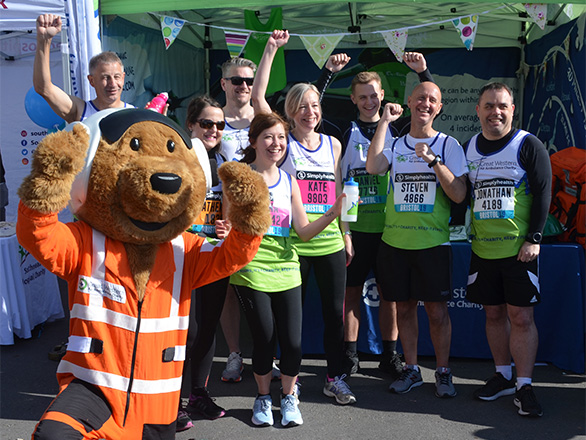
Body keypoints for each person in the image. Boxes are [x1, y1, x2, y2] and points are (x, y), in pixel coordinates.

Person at [252, 30, 356, 405]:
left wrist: (346, 233)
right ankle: (281, 371)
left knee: (334, 314)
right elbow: (259, 97)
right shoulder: (284, 144)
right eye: (302, 106)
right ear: (290, 113)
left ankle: (334, 377)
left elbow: (341, 190)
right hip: (293, 242)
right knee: (287, 317)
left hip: (328, 240)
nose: (309, 112)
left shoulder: (334, 143)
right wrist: (270, 49)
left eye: (314, 106)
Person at [231, 112, 345, 427]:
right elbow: (225, 224)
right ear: (254, 141)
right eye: (268, 136)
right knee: (265, 338)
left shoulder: (289, 181)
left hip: (287, 269)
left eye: (281, 137)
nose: (276, 143)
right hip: (251, 270)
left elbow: (304, 231)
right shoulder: (240, 178)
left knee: (293, 343)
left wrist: (333, 214)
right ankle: (263, 398)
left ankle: (289, 396)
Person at [327, 52, 433, 377]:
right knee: (351, 294)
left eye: (374, 96)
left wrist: (423, 71)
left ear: (382, 95)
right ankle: (350, 355)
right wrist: (343, 230)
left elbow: (430, 105)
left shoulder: (399, 129)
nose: (369, 102)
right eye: (363, 97)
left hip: (390, 228)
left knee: (390, 297)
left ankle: (390, 355)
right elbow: (339, 181)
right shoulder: (343, 133)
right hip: (355, 228)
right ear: (353, 99)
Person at [366, 82, 467, 398]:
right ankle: (411, 369)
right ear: (409, 101)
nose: (426, 103)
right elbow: (373, 167)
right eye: (420, 97)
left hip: (433, 244)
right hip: (396, 242)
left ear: (439, 108)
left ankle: (443, 371)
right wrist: (383, 122)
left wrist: (434, 162)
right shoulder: (395, 145)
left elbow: (459, 194)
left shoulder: (448, 144)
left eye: (433, 100)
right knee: (405, 310)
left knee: (437, 313)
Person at [465, 82, 551, 417]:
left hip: (519, 250)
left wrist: (535, 238)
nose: (495, 112)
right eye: (488, 106)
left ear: (512, 109)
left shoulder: (527, 144)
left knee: (521, 316)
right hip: (483, 249)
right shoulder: (468, 146)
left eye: (502, 106)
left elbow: (544, 191)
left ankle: (524, 385)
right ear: (478, 110)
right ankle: (502, 375)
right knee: (493, 314)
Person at [174, 96, 231, 432]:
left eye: (219, 125)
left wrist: (228, 224)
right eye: (207, 123)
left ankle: (199, 394)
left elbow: (230, 207)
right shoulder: (178, 159)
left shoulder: (225, 161)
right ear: (191, 125)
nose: (214, 130)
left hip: (215, 253)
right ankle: (174, 401)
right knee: (188, 330)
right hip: (183, 256)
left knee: (208, 327)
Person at [34, 14, 133, 124]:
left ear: (123, 78)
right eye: (105, 77)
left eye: (117, 77)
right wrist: (44, 41)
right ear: (91, 80)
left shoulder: (136, 115)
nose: (113, 83)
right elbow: (44, 88)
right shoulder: (81, 111)